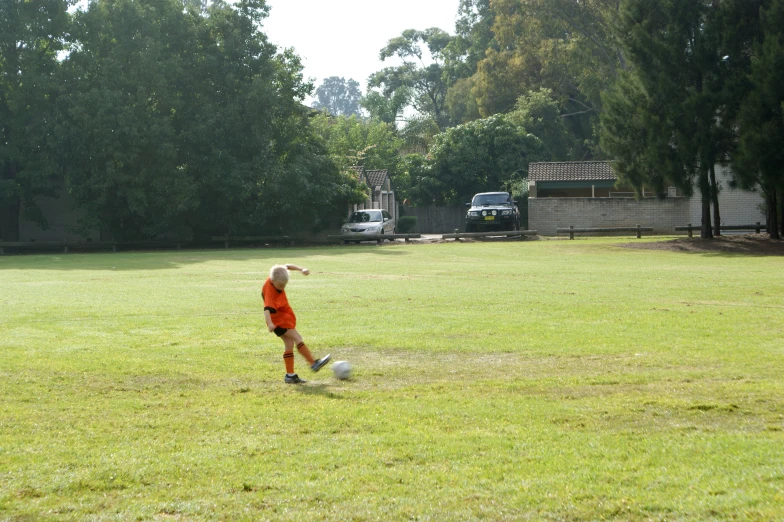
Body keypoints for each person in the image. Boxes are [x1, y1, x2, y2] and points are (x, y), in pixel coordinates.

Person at [262, 264, 330, 384]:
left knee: (289, 344)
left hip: (281, 316)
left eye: (284, 285)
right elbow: (267, 309)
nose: (282, 288)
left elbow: (286, 266)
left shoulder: (277, 274)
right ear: (272, 281)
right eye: (280, 285)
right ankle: (313, 363)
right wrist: (270, 324)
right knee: (297, 338)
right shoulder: (270, 293)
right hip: (278, 319)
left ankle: (290, 376)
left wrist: (301, 269)